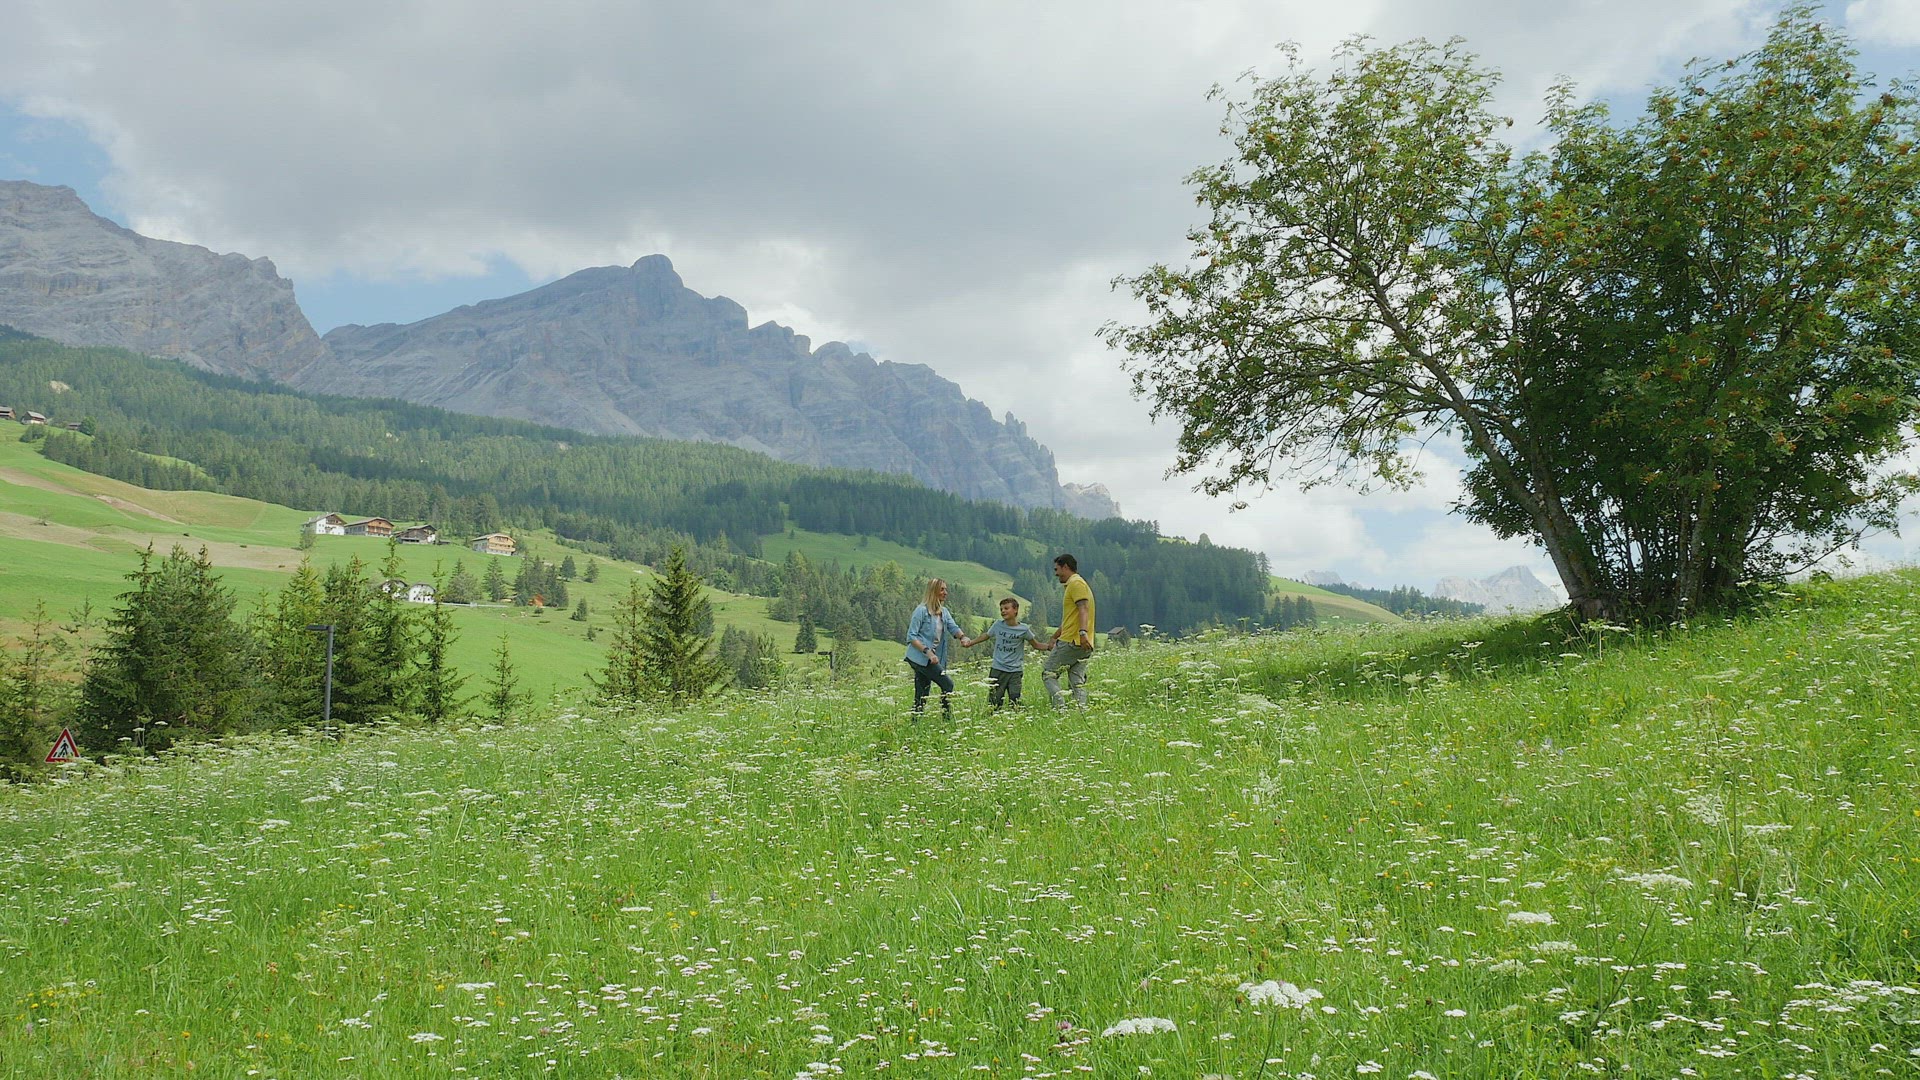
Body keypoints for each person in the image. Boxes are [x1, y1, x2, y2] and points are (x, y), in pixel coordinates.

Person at [903, 578, 977, 718]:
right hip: (919, 657)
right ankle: (946, 717)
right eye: (942, 589)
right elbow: (911, 636)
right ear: (933, 591)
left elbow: (953, 627)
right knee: (947, 685)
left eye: (945, 589)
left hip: (931, 658)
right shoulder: (921, 611)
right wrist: (928, 652)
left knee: (922, 691)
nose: (945, 592)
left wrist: (963, 637)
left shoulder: (944, 612)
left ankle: (915, 721)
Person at [1043, 553, 1095, 708]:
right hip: (1084, 643)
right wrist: (1054, 637)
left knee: (1048, 674)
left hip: (1072, 640)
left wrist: (1082, 632)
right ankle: (1081, 711)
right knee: (1076, 680)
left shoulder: (1076, 584)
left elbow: (1083, 609)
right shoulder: (1079, 584)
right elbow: (1071, 619)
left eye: (1057, 569)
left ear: (1065, 567)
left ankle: (1060, 709)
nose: (1056, 574)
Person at [983, 596, 1051, 710]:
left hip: (1015, 671)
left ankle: (1015, 716)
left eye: (1006, 608)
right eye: (1001, 609)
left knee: (1015, 699)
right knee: (994, 701)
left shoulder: (1024, 629)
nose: (1003, 611)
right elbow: (986, 635)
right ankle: (993, 717)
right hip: (997, 669)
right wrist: (970, 642)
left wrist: (1050, 647)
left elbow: (1036, 645)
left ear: (1015, 610)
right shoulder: (997, 625)